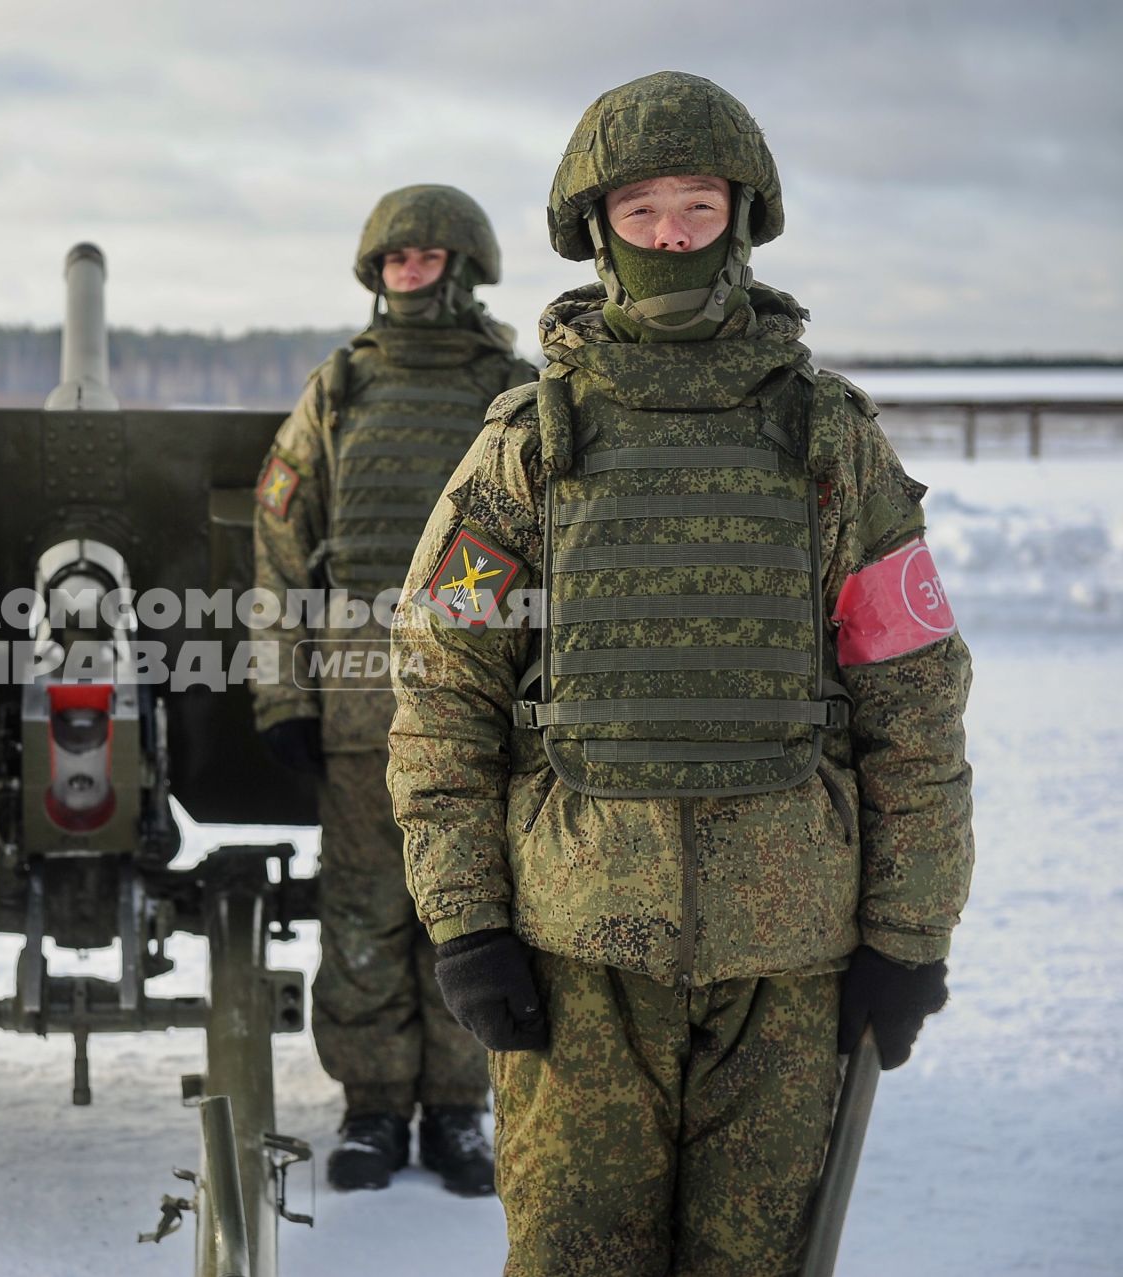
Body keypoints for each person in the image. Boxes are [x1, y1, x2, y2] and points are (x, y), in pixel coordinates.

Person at [388, 72, 972, 1273]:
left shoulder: (830, 439)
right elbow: (445, 688)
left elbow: (914, 700)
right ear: (597, 228)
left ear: (741, 219)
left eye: (695, 209)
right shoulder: (527, 442)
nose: (669, 237)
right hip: (576, 956)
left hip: (790, 963)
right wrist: (468, 921)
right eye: (642, 209)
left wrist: (908, 932)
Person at [252, 185, 536, 1195]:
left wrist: (458, 628)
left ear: (462, 267)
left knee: (466, 908)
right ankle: (372, 1108)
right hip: (357, 705)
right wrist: (283, 695)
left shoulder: (513, 390)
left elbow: (540, 535)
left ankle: (459, 1111)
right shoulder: (339, 389)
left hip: (480, 702)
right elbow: (281, 554)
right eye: (395, 261)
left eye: (425, 259)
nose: (408, 275)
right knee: (364, 911)